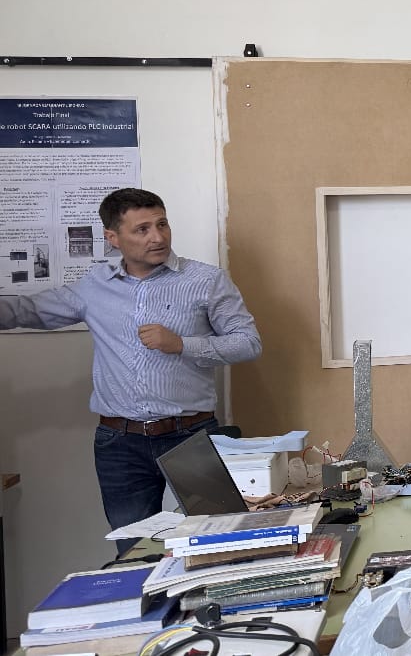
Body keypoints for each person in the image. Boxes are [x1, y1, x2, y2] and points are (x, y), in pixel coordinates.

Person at [0, 188, 261, 552]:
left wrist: (182, 344)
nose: (158, 237)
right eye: (142, 229)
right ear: (113, 237)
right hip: (120, 444)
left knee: (215, 542)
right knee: (135, 552)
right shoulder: (94, 286)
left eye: (162, 224)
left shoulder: (206, 280)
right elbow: (29, 311)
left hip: (190, 436)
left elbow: (248, 342)